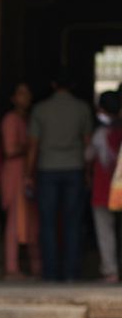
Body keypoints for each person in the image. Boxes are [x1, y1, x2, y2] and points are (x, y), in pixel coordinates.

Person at [25, 69, 93, 281]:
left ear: (53, 84)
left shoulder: (40, 109)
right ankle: (72, 273)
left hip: (47, 170)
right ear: (72, 85)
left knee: (48, 223)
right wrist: (88, 172)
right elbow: (87, 144)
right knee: (73, 223)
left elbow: (33, 146)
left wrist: (28, 174)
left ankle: (51, 273)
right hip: (74, 169)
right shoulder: (81, 108)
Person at [0, 83, 41, 279]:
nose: (26, 97)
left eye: (28, 92)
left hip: (29, 172)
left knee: (33, 221)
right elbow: (10, 150)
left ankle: (37, 267)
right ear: (13, 98)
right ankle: (12, 267)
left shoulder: (30, 119)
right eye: (21, 93)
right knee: (16, 220)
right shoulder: (10, 120)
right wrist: (31, 146)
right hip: (15, 173)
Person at [86, 90, 122, 283]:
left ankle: (111, 271)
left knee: (105, 230)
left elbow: (89, 156)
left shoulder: (101, 133)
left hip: (104, 188)